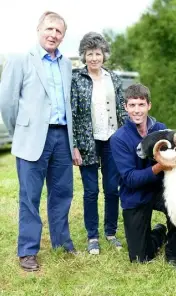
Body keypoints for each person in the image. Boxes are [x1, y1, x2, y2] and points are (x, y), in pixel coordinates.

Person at [0, 11, 76, 271]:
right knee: (29, 197)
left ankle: (62, 243)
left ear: (63, 36)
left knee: (63, 193)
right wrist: (20, 132)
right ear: (38, 29)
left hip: (62, 137)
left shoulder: (66, 64)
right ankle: (28, 251)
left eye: (59, 31)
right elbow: (7, 103)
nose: (53, 34)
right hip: (32, 138)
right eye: (50, 29)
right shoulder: (21, 60)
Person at [110, 84, 176, 266]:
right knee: (139, 259)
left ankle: (174, 253)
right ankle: (158, 233)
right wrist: (159, 166)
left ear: (149, 105)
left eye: (141, 105)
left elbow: (175, 158)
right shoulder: (118, 138)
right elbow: (130, 179)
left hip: (160, 190)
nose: (137, 110)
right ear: (126, 107)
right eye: (132, 105)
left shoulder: (161, 129)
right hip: (135, 195)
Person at [71, 32, 127, 255]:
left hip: (112, 139)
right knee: (91, 191)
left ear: (104, 55)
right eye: (89, 54)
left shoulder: (113, 78)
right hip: (87, 142)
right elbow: (73, 114)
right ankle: (92, 236)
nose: (94, 58)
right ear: (84, 56)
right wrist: (74, 145)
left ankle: (111, 232)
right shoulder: (77, 79)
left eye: (98, 53)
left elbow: (122, 109)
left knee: (112, 189)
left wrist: (127, 138)